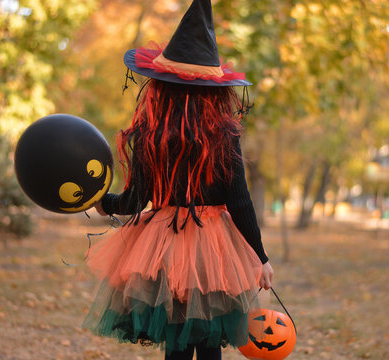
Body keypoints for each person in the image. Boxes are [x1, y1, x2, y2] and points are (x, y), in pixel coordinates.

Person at [81, 1, 273, 359]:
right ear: (215, 90)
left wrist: (103, 201)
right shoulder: (223, 133)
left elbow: (136, 201)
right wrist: (260, 256)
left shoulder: (150, 133)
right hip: (215, 246)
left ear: (161, 87)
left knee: (177, 341)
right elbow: (239, 200)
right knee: (210, 339)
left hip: (164, 244)